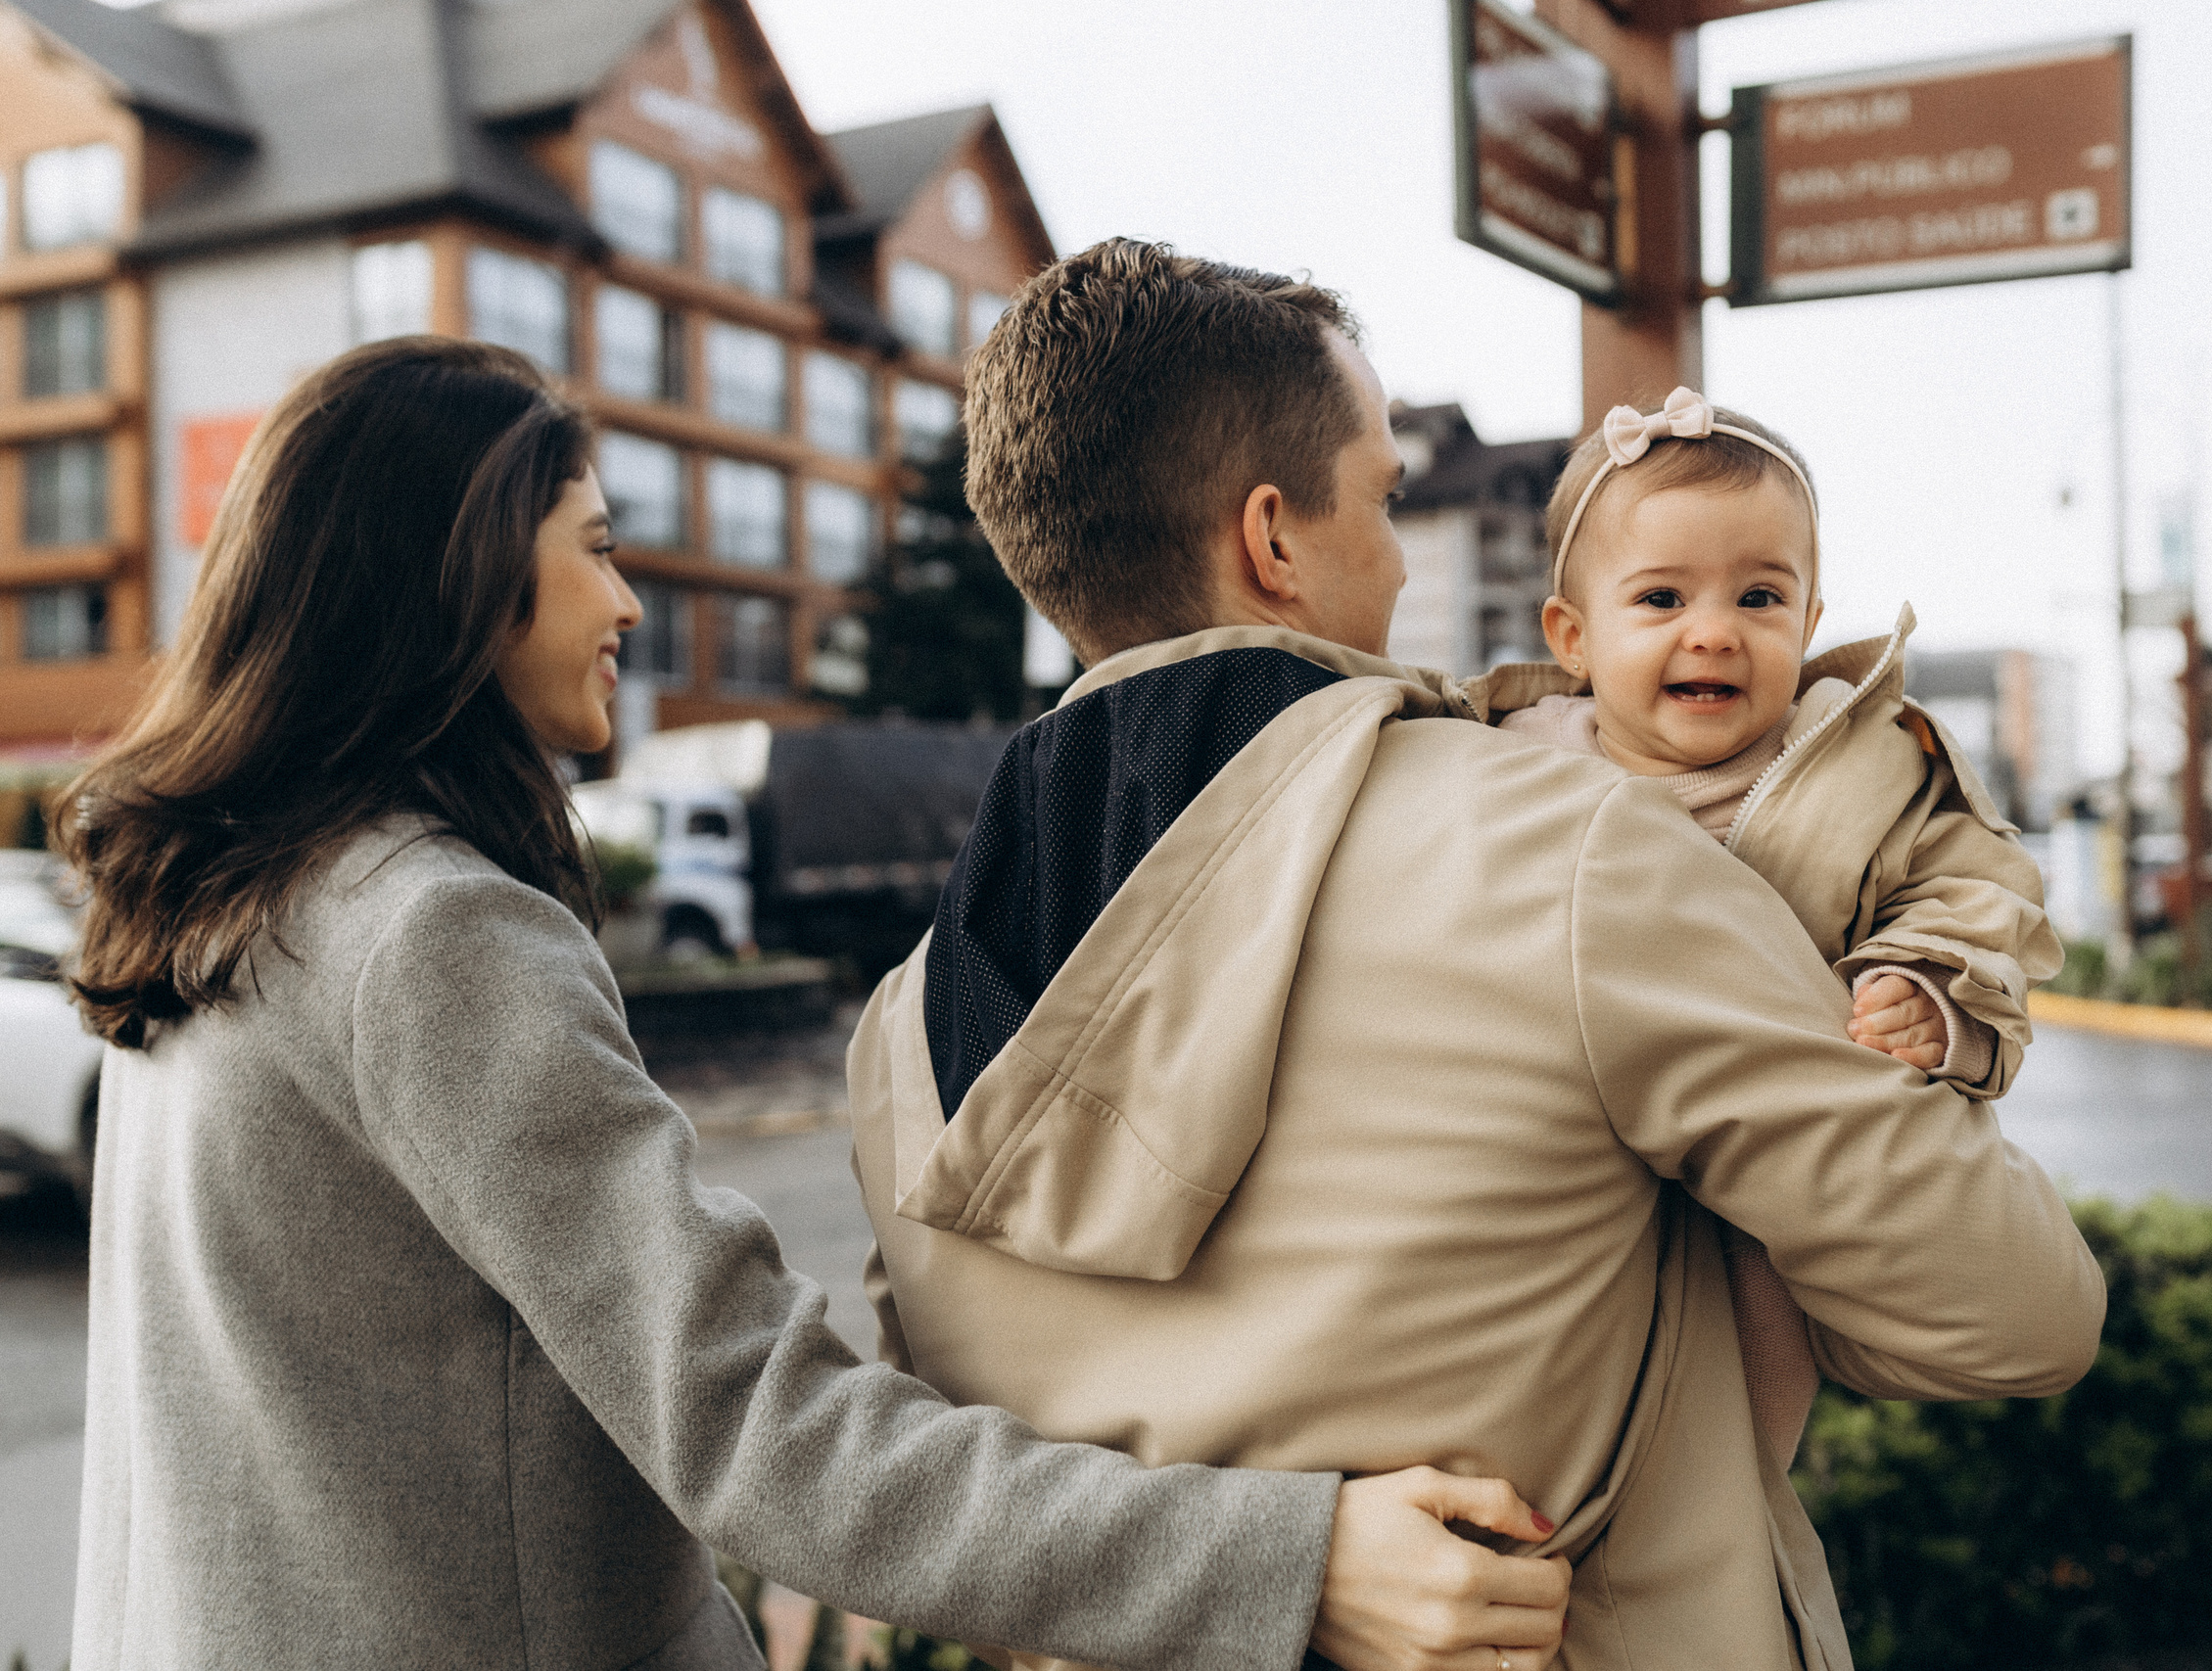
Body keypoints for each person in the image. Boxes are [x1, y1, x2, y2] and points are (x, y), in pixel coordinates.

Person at [59, 337, 1571, 1671]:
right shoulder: (429, 935)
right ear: (460, 577)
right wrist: (1297, 1562)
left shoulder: (217, 910)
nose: (628, 600)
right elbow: (763, 1433)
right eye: (593, 546)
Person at [845, 239, 2107, 1671]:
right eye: (1384, 497)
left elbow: (943, 1489)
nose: (1394, 549)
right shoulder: (1583, 851)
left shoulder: (897, 1035)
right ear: (1273, 541)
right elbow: (2016, 1314)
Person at [1483, 388, 2064, 1463]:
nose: (1714, 630)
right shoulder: (1500, 762)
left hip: (1767, 1175)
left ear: (1805, 625)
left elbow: (1979, 894)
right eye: (1660, 597)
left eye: (1758, 596)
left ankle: (1711, 1505)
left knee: (1719, 1433)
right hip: (1550, 1159)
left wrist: (1930, 988)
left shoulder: (1872, 764)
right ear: (1571, 637)